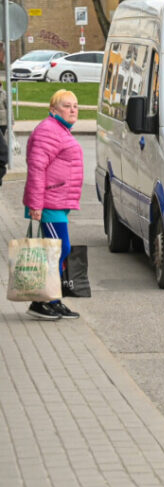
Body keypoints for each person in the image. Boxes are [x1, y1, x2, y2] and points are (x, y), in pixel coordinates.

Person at [21, 90, 84, 320]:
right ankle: (41, 302)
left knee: (57, 250)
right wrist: (36, 205)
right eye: (67, 106)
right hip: (48, 202)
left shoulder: (59, 130)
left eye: (75, 106)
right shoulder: (49, 130)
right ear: (53, 110)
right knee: (56, 251)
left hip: (56, 200)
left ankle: (53, 300)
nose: (73, 110)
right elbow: (37, 169)